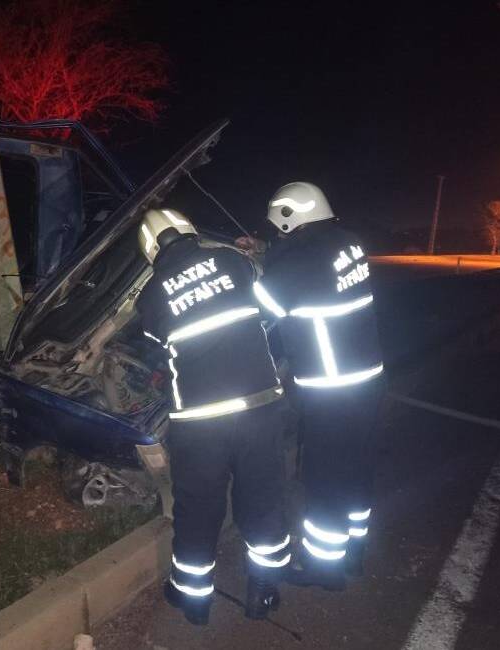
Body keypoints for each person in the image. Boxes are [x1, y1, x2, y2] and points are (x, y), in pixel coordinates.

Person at [136, 207, 290, 625]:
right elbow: (270, 308)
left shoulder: (149, 297)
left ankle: (194, 601)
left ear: (150, 249)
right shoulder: (232, 261)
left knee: (198, 507)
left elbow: (155, 341)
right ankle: (263, 591)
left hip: (201, 422)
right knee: (263, 497)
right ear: (188, 229)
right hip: (259, 407)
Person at [252, 182, 384, 590]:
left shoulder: (296, 265)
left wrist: (248, 263)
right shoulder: (347, 242)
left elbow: (259, 305)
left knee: (324, 476)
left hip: (331, 388)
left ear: (288, 219)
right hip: (366, 379)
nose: (276, 235)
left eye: (278, 229)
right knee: (356, 467)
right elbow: (309, 267)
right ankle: (354, 551)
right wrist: (264, 251)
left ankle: (325, 568)